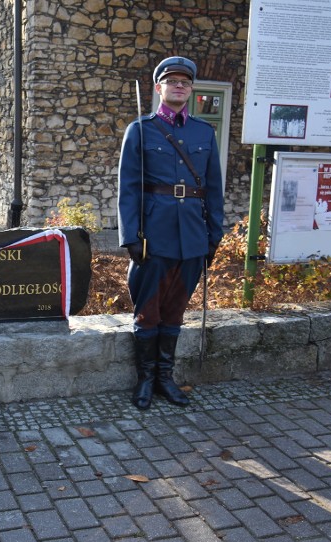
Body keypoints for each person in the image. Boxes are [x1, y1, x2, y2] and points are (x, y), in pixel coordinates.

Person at [117, 56, 224, 410]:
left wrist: (214, 235)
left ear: (191, 89)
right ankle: (145, 380)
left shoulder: (204, 133)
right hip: (154, 234)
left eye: (185, 82)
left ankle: (166, 378)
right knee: (147, 312)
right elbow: (128, 188)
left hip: (193, 236)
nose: (179, 86)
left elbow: (213, 189)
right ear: (159, 87)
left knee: (176, 311)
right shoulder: (141, 129)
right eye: (171, 80)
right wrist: (130, 235)